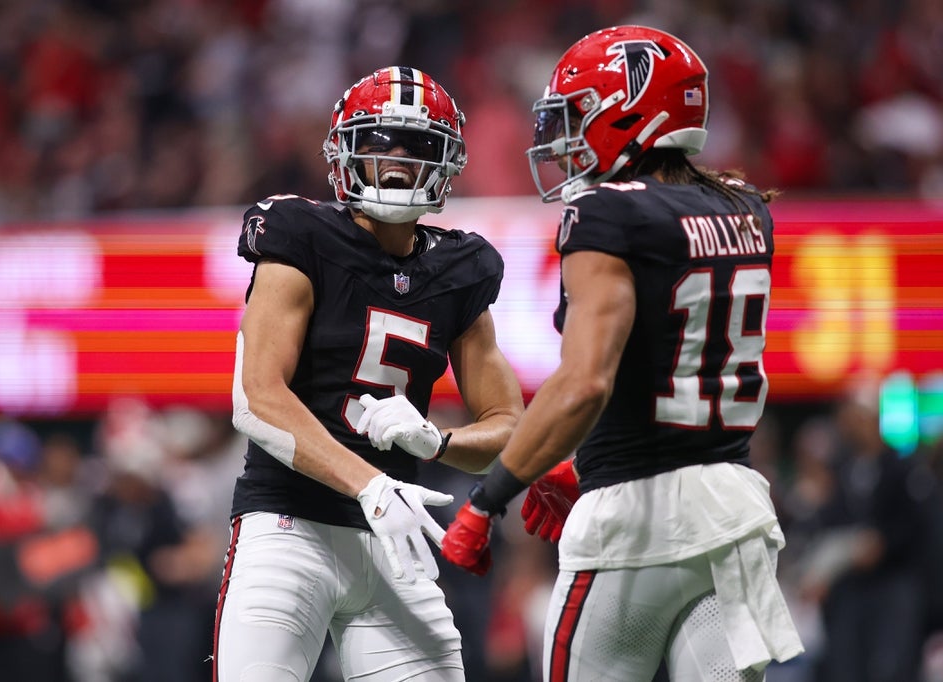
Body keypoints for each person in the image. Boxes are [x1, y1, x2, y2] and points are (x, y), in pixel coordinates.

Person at [438, 25, 806, 681]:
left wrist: (489, 497)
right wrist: (590, 459)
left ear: (635, 109)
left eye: (579, 114)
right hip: (734, 514)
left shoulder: (608, 213)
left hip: (635, 524)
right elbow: (670, 359)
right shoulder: (747, 209)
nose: (565, 138)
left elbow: (583, 385)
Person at [212, 66, 524, 682]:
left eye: (420, 146)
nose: (400, 160)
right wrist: (370, 485)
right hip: (288, 527)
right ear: (344, 151)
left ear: (447, 161)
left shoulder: (461, 268)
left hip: (394, 544)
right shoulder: (301, 235)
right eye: (381, 140)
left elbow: (508, 428)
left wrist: (439, 442)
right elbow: (256, 400)